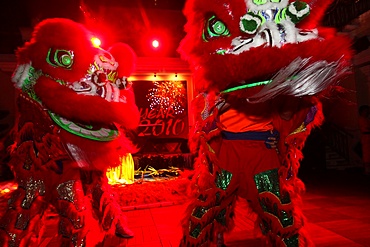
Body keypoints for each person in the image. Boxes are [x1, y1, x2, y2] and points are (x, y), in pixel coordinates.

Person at [358, 105, 370, 175]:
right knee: (367, 154)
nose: (368, 112)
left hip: (367, 136)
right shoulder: (361, 119)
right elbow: (366, 128)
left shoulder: (366, 119)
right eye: (366, 110)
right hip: (366, 137)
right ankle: (367, 170)